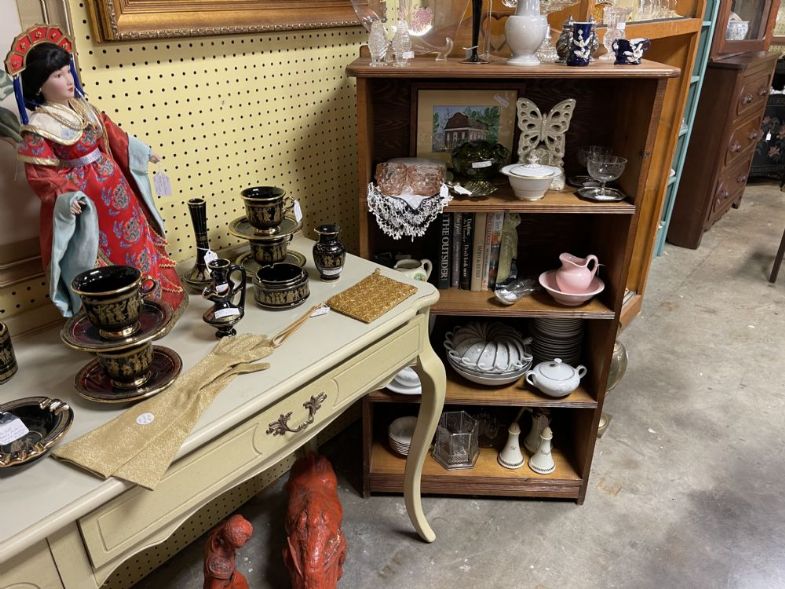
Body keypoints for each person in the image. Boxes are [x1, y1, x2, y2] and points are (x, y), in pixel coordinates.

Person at [5, 25, 185, 317]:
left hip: (118, 192)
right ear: (39, 85)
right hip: (88, 202)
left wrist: (143, 151)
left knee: (136, 242)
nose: (67, 80)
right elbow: (40, 174)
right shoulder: (40, 126)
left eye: (67, 71)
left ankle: (153, 302)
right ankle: (119, 314)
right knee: (99, 254)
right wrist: (63, 195)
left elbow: (114, 135)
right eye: (57, 75)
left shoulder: (84, 108)